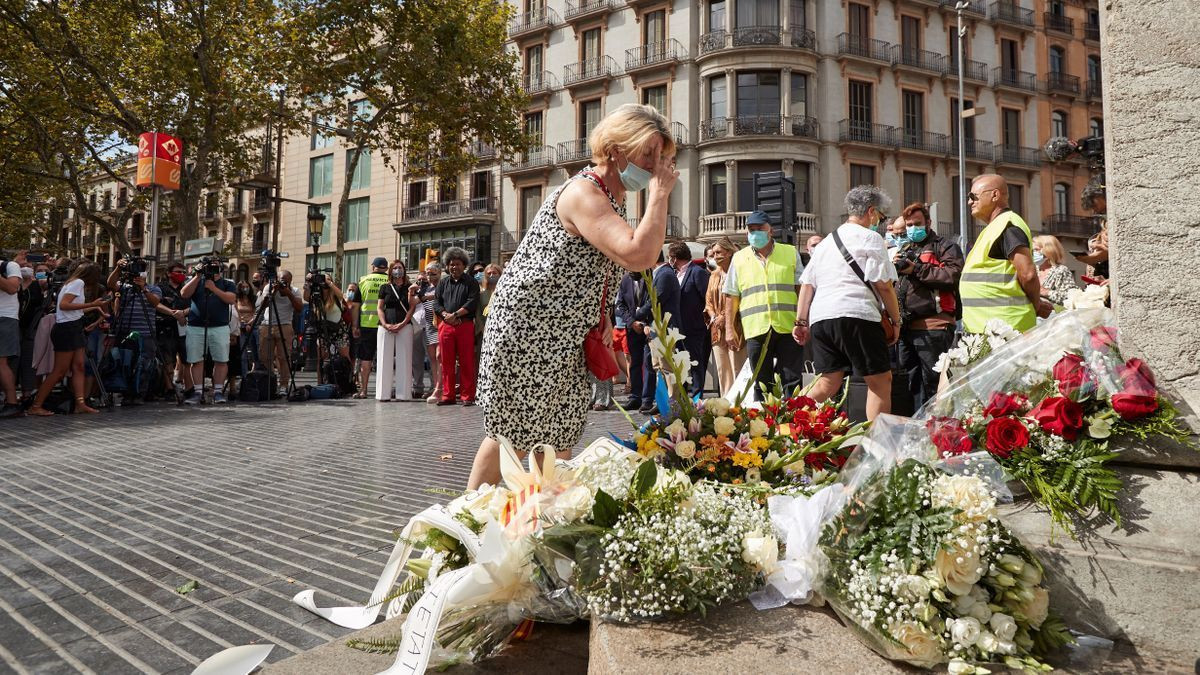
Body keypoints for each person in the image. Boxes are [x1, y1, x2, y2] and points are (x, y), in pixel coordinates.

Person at [468, 102, 679, 489]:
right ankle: (461, 525)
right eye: (648, 152)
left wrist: (597, 320)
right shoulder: (585, 191)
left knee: (560, 435)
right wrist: (660, 195)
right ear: (616, 149)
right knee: (511, 437)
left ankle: (536, 524)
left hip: (566, 337)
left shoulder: (609, 199)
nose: (654, 164)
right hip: (530, 331)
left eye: (661, 156)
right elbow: (639, 255)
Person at [793, 186, 900, 422]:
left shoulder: (826, 242)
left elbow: (808, 284)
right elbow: (883, 285)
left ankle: (786, 422)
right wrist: (896, 319)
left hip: (822, 318)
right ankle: (876, 446)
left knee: (828, 380)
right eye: (880, 217)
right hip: (857, 314)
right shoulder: (871, 238)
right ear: (871, 211)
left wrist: (801, 321)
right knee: (880, 381)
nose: (879, 223)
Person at [723, 210, 805, 400]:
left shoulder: (790, 253)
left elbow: (801, 289)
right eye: (751, 229)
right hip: (756, 328)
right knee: (761, 383)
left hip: (788, 327)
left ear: (771, 231)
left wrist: (803, 320)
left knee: (792, 382)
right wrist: (729, 329)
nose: (755, 233)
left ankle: (792, 424)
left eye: (759, 229)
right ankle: (764, 426)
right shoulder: (739, 258)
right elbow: (731, 295)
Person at [892, 204, 964, 410]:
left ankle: (939, 429)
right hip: (907, 328)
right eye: (909, 225)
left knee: (934, 383)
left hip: (934, 326)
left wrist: (916, 269)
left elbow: (952, 276)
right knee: (913, 383)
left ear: (928, 223)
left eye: (917, 224)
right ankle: (920, 428)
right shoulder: (906, 249)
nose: (913, 228)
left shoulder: (945, 246)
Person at [961, 174, 1052, 334]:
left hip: (1006, 330)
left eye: (973, 196)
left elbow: (1028, 275)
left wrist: (1036, 305)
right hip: (991, 329)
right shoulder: (996, 227)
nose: (969, 202)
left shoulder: (1008, 225)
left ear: (995, 195)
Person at [27, 261, 108, 415]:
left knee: (79, 367)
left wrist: (96, 307)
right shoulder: (77, 283)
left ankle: (80, 403)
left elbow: (72, 310)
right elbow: (64, 305)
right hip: (67, 329)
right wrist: (92, 303)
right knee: (59, 371)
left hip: (73, 327)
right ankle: (36, 405)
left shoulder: (74, 283)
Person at [105, 258, 164, 405]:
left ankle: (139, 393)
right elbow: (110, 284)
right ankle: (125, 392)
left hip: (146, 334)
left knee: (144, 364)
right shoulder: (125, 287)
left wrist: (144, 289)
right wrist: (118, 269)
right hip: (126, 331)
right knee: (125, 362)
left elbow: (155, 303)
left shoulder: (154, 288)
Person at [180, 261, 237, 404]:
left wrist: (214, 288)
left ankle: (217, 392)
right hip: (195, 326)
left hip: (220, 327)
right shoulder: (196, 280)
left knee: (221, 360)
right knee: (195, 360)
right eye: (210, 267)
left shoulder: (227, 283)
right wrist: (198, 276)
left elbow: (231, 299)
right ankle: (198, 392)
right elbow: (184, 294)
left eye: (216, 267)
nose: (213, 270)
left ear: (221, 270)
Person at [635, 250, 681, 414]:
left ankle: (672, 403)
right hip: (657, 328)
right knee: (658, 366)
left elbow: (657, 300)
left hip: (664, 328)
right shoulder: (660, 273)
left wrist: (638, 313)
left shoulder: (665, 274)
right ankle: (663, 401)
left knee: (667, 367)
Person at [433, 246, 480, 406]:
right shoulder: (443, 283)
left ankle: (468, 396)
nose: (454, 267)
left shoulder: (471, 282)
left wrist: (456, 315)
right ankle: (448, 395)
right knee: (446, 362)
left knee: (467, 361)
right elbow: (437, 303)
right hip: (446, 326)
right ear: (447, 265)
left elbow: (472, 302)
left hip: (464, 325)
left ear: (464, 265)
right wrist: (446, 315)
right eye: (452, 264)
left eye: (458, 264)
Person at [705, 237, 746, 397]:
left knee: (737, 367)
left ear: (729, 252)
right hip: (716, 329)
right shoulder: (714, 275)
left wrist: (724, 316)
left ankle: (741, 404)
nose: (714, 256)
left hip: (736, 326)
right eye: (713, 253)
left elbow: (741, 297)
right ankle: (726, 404)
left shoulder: (739, 273)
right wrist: (714, 316)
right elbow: (708, 301)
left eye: (718, 252)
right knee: (723, 370)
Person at [669, 240, 710, 398]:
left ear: (675, 257)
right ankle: (684, 395)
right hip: (679, 328)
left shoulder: (697, 272)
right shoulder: (675, 274)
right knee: (683, 364)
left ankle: (696, 396)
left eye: (670, 257)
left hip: (695, 327)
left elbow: (706, 298)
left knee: (695, 363)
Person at [375, 259, 418, 401]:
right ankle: (383, 394)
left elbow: (412, 307)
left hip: (404, 325)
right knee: (383, 359)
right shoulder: (384, 287)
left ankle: (403, 394)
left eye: (400, 268)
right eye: (395, 268)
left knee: (404, 359)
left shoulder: (410, 287)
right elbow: (380, 308)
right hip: (385, 326)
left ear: (404, 270)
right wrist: (384, 323)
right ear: (391, 271)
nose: (397, 270)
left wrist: (403, 323)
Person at [256, 269, 302, 393]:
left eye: (286, 282)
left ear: (290, 282)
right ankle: (269, 382)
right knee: (265, 356)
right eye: (281, 280)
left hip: (285, 325)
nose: (283, 283)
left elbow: (299, 309)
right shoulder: (268, 287)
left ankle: (283, 384)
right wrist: (273, 291)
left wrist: (289, 294)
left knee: (284, 357)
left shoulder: (295, 291)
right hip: (267, 324)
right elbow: (263, 306)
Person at [351, 257, 390, 398]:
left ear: (373, 267)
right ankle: (386, 390)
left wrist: (355, 326)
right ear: (386, 268)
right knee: (386, 359)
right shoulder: (390, 281)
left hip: (366, 324)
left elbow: (355, 306)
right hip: (386, 324)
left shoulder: (364, 280)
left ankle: (364, 390)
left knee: (365, 359)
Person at [156, 262, 192, 400]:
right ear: (169, 273)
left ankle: (189, 389)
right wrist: (173, 314)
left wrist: (183, 313)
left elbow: (194, 306)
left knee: (187, 361)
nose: (181, 274)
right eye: (178, 271)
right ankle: (169, 389)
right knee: (167, 361)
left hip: (184, 329)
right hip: (165, 328)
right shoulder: (160, 288)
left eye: (183, 272)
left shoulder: (187, 289)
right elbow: (156, 304)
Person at [616, 269, 649, 409]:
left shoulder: (651, 278)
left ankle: (648, 398)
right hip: (632, 328)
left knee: (649, 364)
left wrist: (641, 320)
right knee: (634, 362)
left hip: (648, 326)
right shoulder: (625, 280)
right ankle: (636, 396)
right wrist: (631, 322)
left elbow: (653, 301)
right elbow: (620, 305)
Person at [0, 253, 22, 416]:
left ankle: (12, 403)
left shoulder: (9, 266)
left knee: (1, 362)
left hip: (5, 318)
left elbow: (12, 288)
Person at [419, 264, 443, 403]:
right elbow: (415, 301)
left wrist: (429, 296)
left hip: (441, 323)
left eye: (433, 273)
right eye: (428, 274)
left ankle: (440, 387)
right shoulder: (426, 288)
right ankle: (436, 386)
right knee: (432, 358)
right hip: (429, 325)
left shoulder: (444, 285)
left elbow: (441, 296)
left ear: (440, 273)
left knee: (440, 356)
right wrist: (412, 291)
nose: (430, 276)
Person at [1033, 235, 1078, 306]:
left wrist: (1047, 292)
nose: (1032, 253)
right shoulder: (1033, 270)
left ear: (1048, 251)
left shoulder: (1061, 270)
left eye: (1035, 250)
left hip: (1053, 315)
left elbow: (1070, 297)